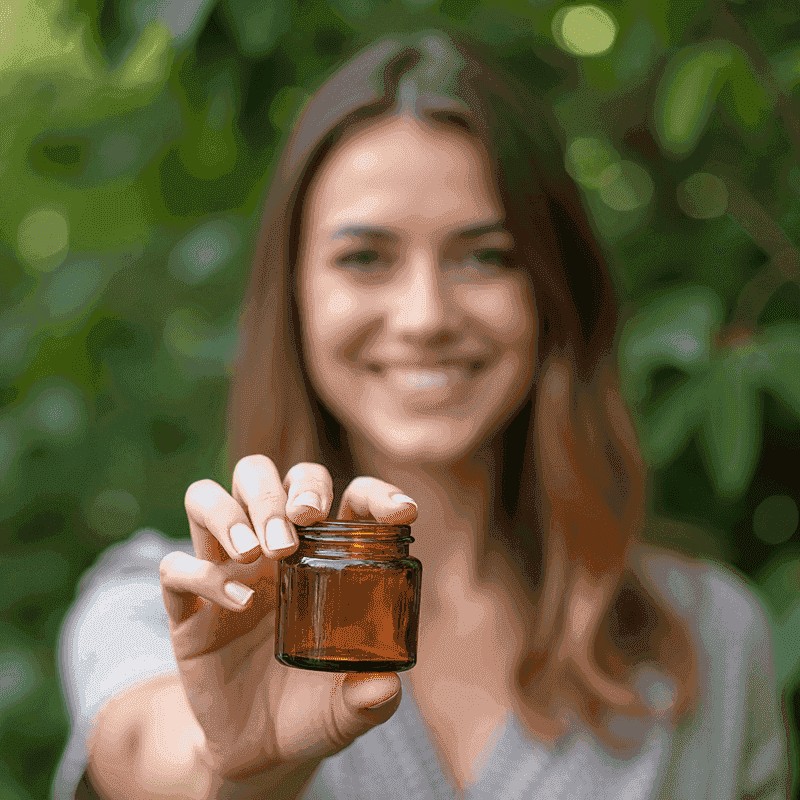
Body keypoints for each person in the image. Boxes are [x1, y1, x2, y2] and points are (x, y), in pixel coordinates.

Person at [54, 27, 791, 800]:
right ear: (296, 295)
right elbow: (147, 752)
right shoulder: (172, 604)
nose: (425, 316)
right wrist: (232, 766)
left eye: (486, 256)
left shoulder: (712, 637)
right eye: (365, 258)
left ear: (555, 290)